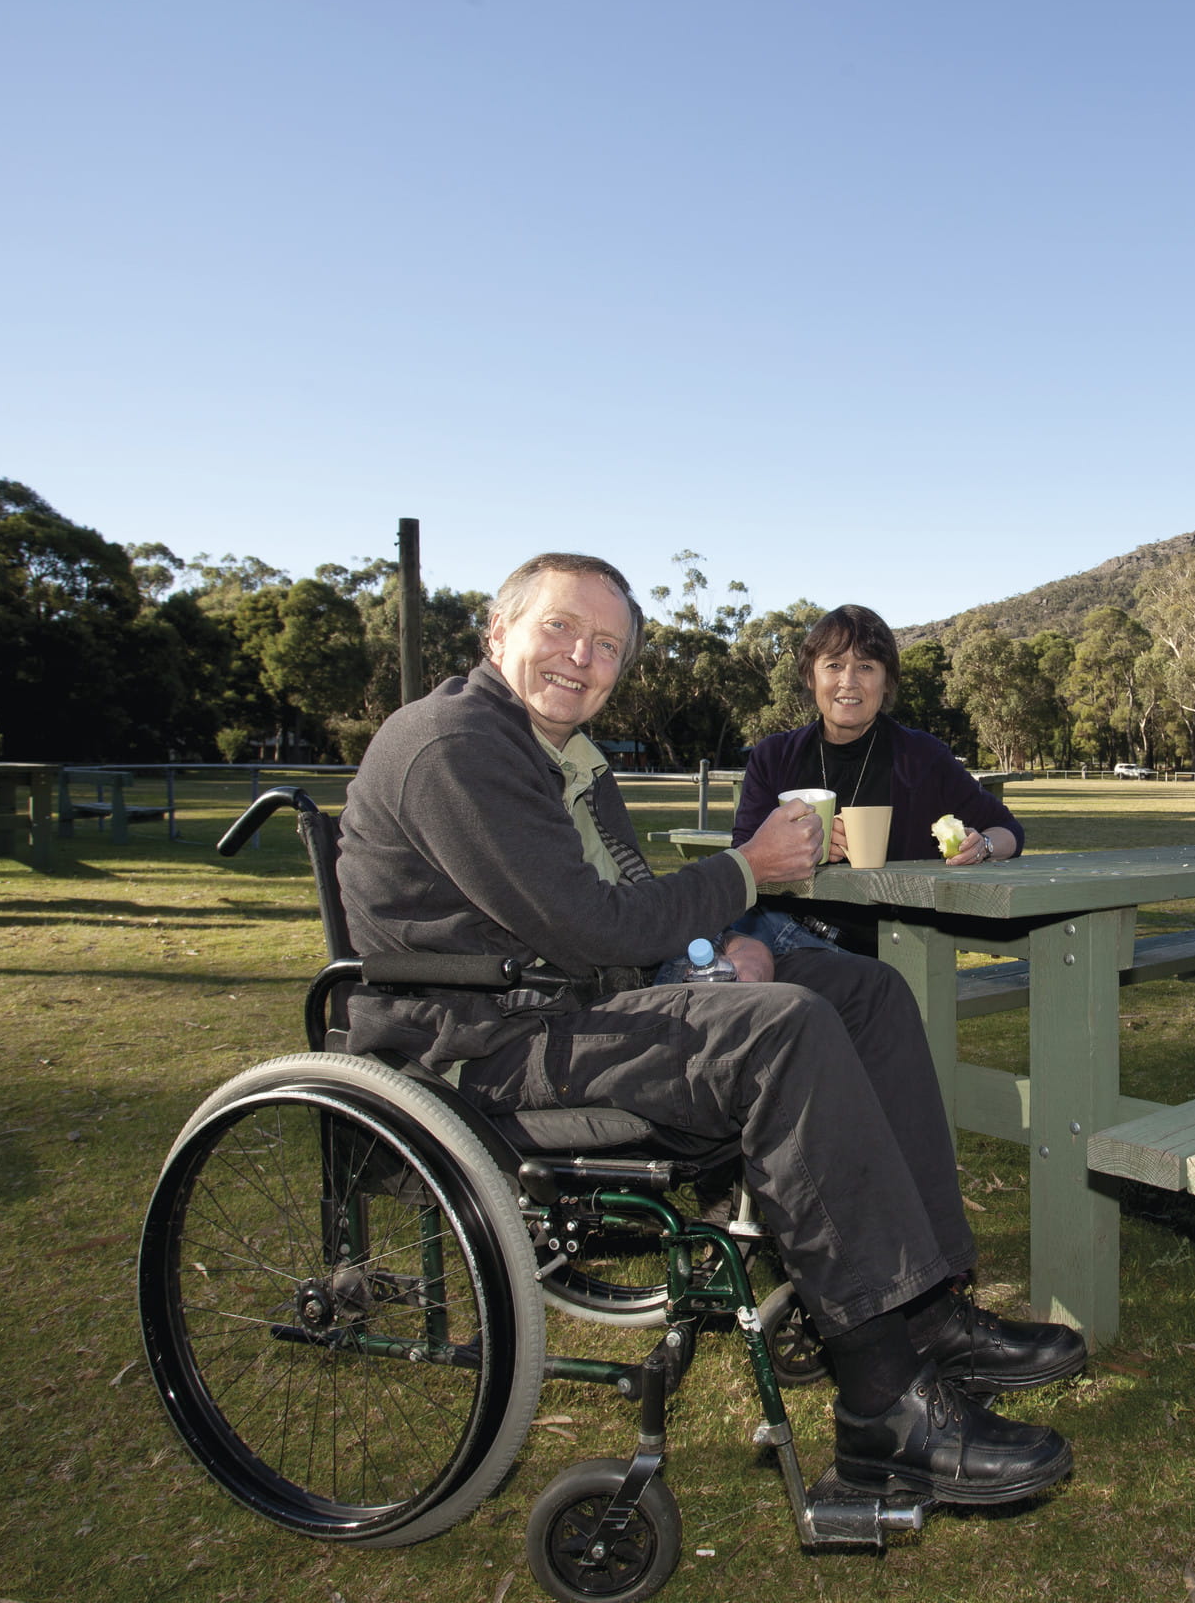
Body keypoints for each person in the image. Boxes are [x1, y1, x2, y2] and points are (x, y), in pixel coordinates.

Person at [335, 553, 1083, 1506]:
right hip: (485, 1044)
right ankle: (884, 1408)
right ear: (497, 635)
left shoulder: (567, 757)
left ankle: (926, 1310)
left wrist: (711, 955)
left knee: (868, 994)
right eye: (560, 629)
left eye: (605, 645)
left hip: (578, 1002)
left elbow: (629, 908)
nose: (581, 657)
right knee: (783, 1030)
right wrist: (744, 873)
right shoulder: (457, 745)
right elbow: (589, 924)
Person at [728, 604, 1023, 956]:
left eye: (866, 666)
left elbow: (1008, 830)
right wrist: (802, 851)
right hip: (778, 932)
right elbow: (744, 857)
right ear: (811, 676)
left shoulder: (921, 756)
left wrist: (983, 846)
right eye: (834, 665)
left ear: (886, 682)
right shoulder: (774, 756)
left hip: (885, 949)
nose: (848, 681)